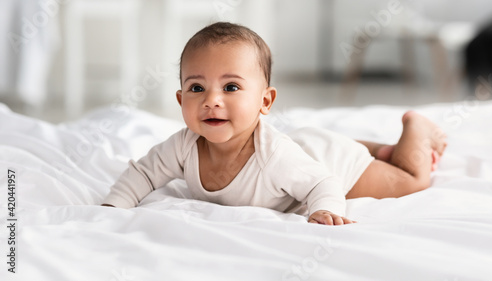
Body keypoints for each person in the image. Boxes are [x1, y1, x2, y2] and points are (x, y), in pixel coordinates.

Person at [101, 22, 447, 226]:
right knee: (325, 145)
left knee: (410, 179)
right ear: (181, 101)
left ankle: (415, 127)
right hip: (305, 145)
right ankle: (374, 146)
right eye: (196, 88)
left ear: (265, 101)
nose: (212, 100)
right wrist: (113, 207)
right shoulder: (183, 145)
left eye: (231, 87)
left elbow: (322, 183)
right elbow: (144, 172)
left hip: (330, 161)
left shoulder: (275, 157)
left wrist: (325, 209)